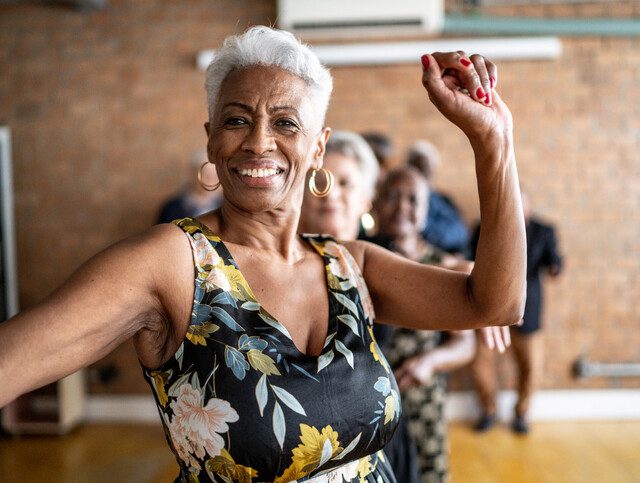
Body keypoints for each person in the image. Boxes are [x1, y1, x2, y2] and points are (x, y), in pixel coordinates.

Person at [0, 26, 526, 482]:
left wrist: (494, 142)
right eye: (235, 121)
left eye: (285, 122)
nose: (258, 141)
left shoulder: (349, 265)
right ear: (211, 141)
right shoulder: (173, 264)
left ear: (317, 147)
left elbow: (495, 304)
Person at [369, 166, 476, 482]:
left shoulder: (441, 266)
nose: (402, 207)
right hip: (373, 399)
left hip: (421, 398)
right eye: (392, 197)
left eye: (413, 200)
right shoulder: (361, 255)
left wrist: (429, 362)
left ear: (426, 211)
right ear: (375, 203)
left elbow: (465, 344)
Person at [469, 188, 563, 434]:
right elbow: (470, 259)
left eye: (520, 205)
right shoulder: (484, 227)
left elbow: (555, 260)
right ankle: (488, 409)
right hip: (491, 312)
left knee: (532, 368)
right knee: (480, 364)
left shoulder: (544, 231)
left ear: (528, 207)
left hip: (528, 311)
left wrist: (554, 266)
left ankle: (521, 414)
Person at [406, 140, 470, 254]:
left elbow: (461, 233)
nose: (422, 172)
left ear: (433, 170)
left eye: (426, 167)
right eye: (417, 166)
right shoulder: (403, 199)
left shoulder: (443, 200)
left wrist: (429, 232)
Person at [157, 148, 224, 223]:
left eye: (215, 175)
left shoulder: (227, 207)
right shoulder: (172, 208)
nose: (211, 179)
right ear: (192, 174)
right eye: (205, 173)